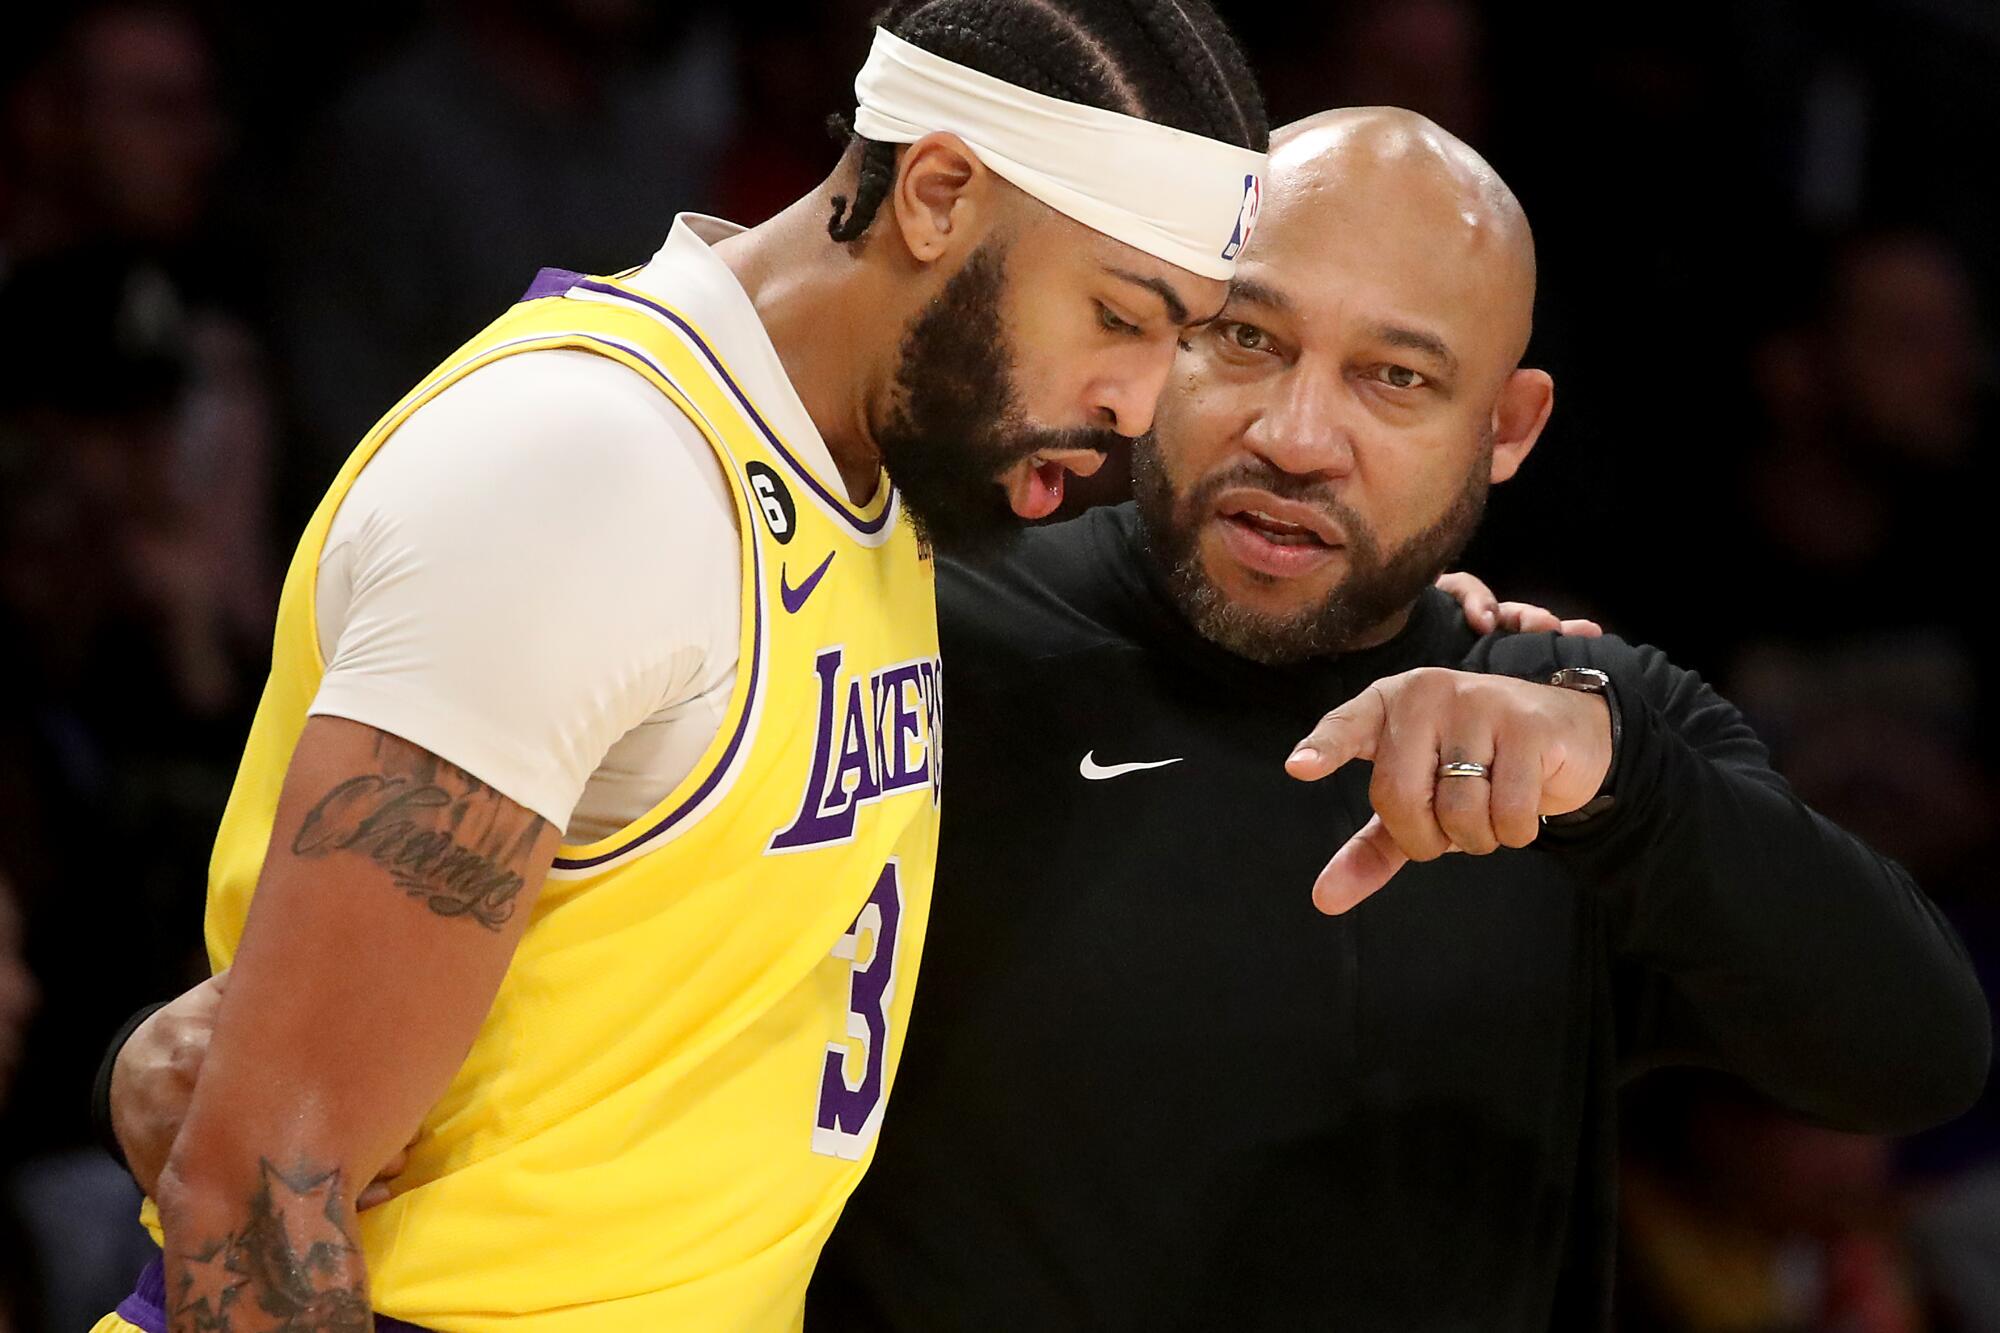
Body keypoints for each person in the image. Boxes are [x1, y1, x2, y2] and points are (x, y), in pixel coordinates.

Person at [104, 108, 1991, 1329]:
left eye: (1394, 378)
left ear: (1505, 432)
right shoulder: (911, 618)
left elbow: (1913, 1056)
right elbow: (503, 977)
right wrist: (221, 1047)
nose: (1294, 430)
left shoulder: (1577, 737)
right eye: (1243, 336)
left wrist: (1640, 788)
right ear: (1159, 335)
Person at [88, 3, 1271, 1331]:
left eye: (1189, 341)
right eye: (1122, 315)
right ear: (937, 193)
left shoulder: (872, 473)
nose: (1143, 401)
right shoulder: (594, 472)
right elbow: (253, 1189)